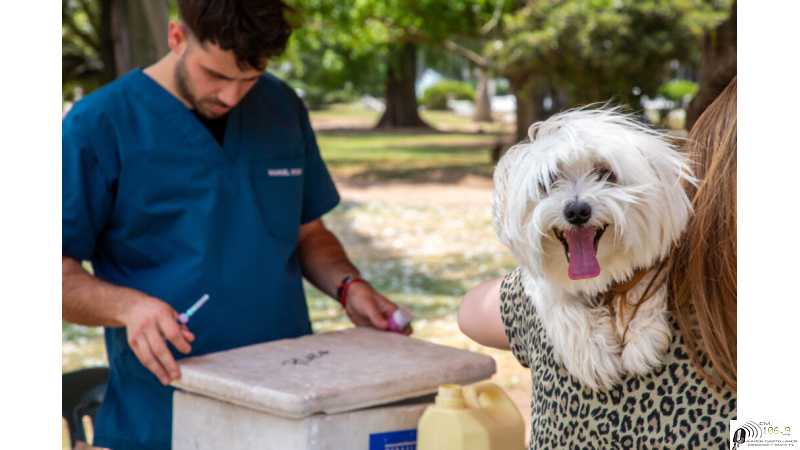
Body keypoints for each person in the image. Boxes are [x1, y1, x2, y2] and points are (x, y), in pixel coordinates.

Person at [62, 2, 406, 449]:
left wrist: (348, 286)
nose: (232, 97)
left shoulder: (281, 107)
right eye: (217, 75)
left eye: (250, 79)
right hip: (164, 411)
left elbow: (309, 234)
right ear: (176, 37)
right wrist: (130, 308)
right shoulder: (97, 125)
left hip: (287, 402)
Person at [458, 78, 737, 448]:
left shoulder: (531, 303)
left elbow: (471, 314)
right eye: (551, 183)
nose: (577, 203)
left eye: (605, 177)